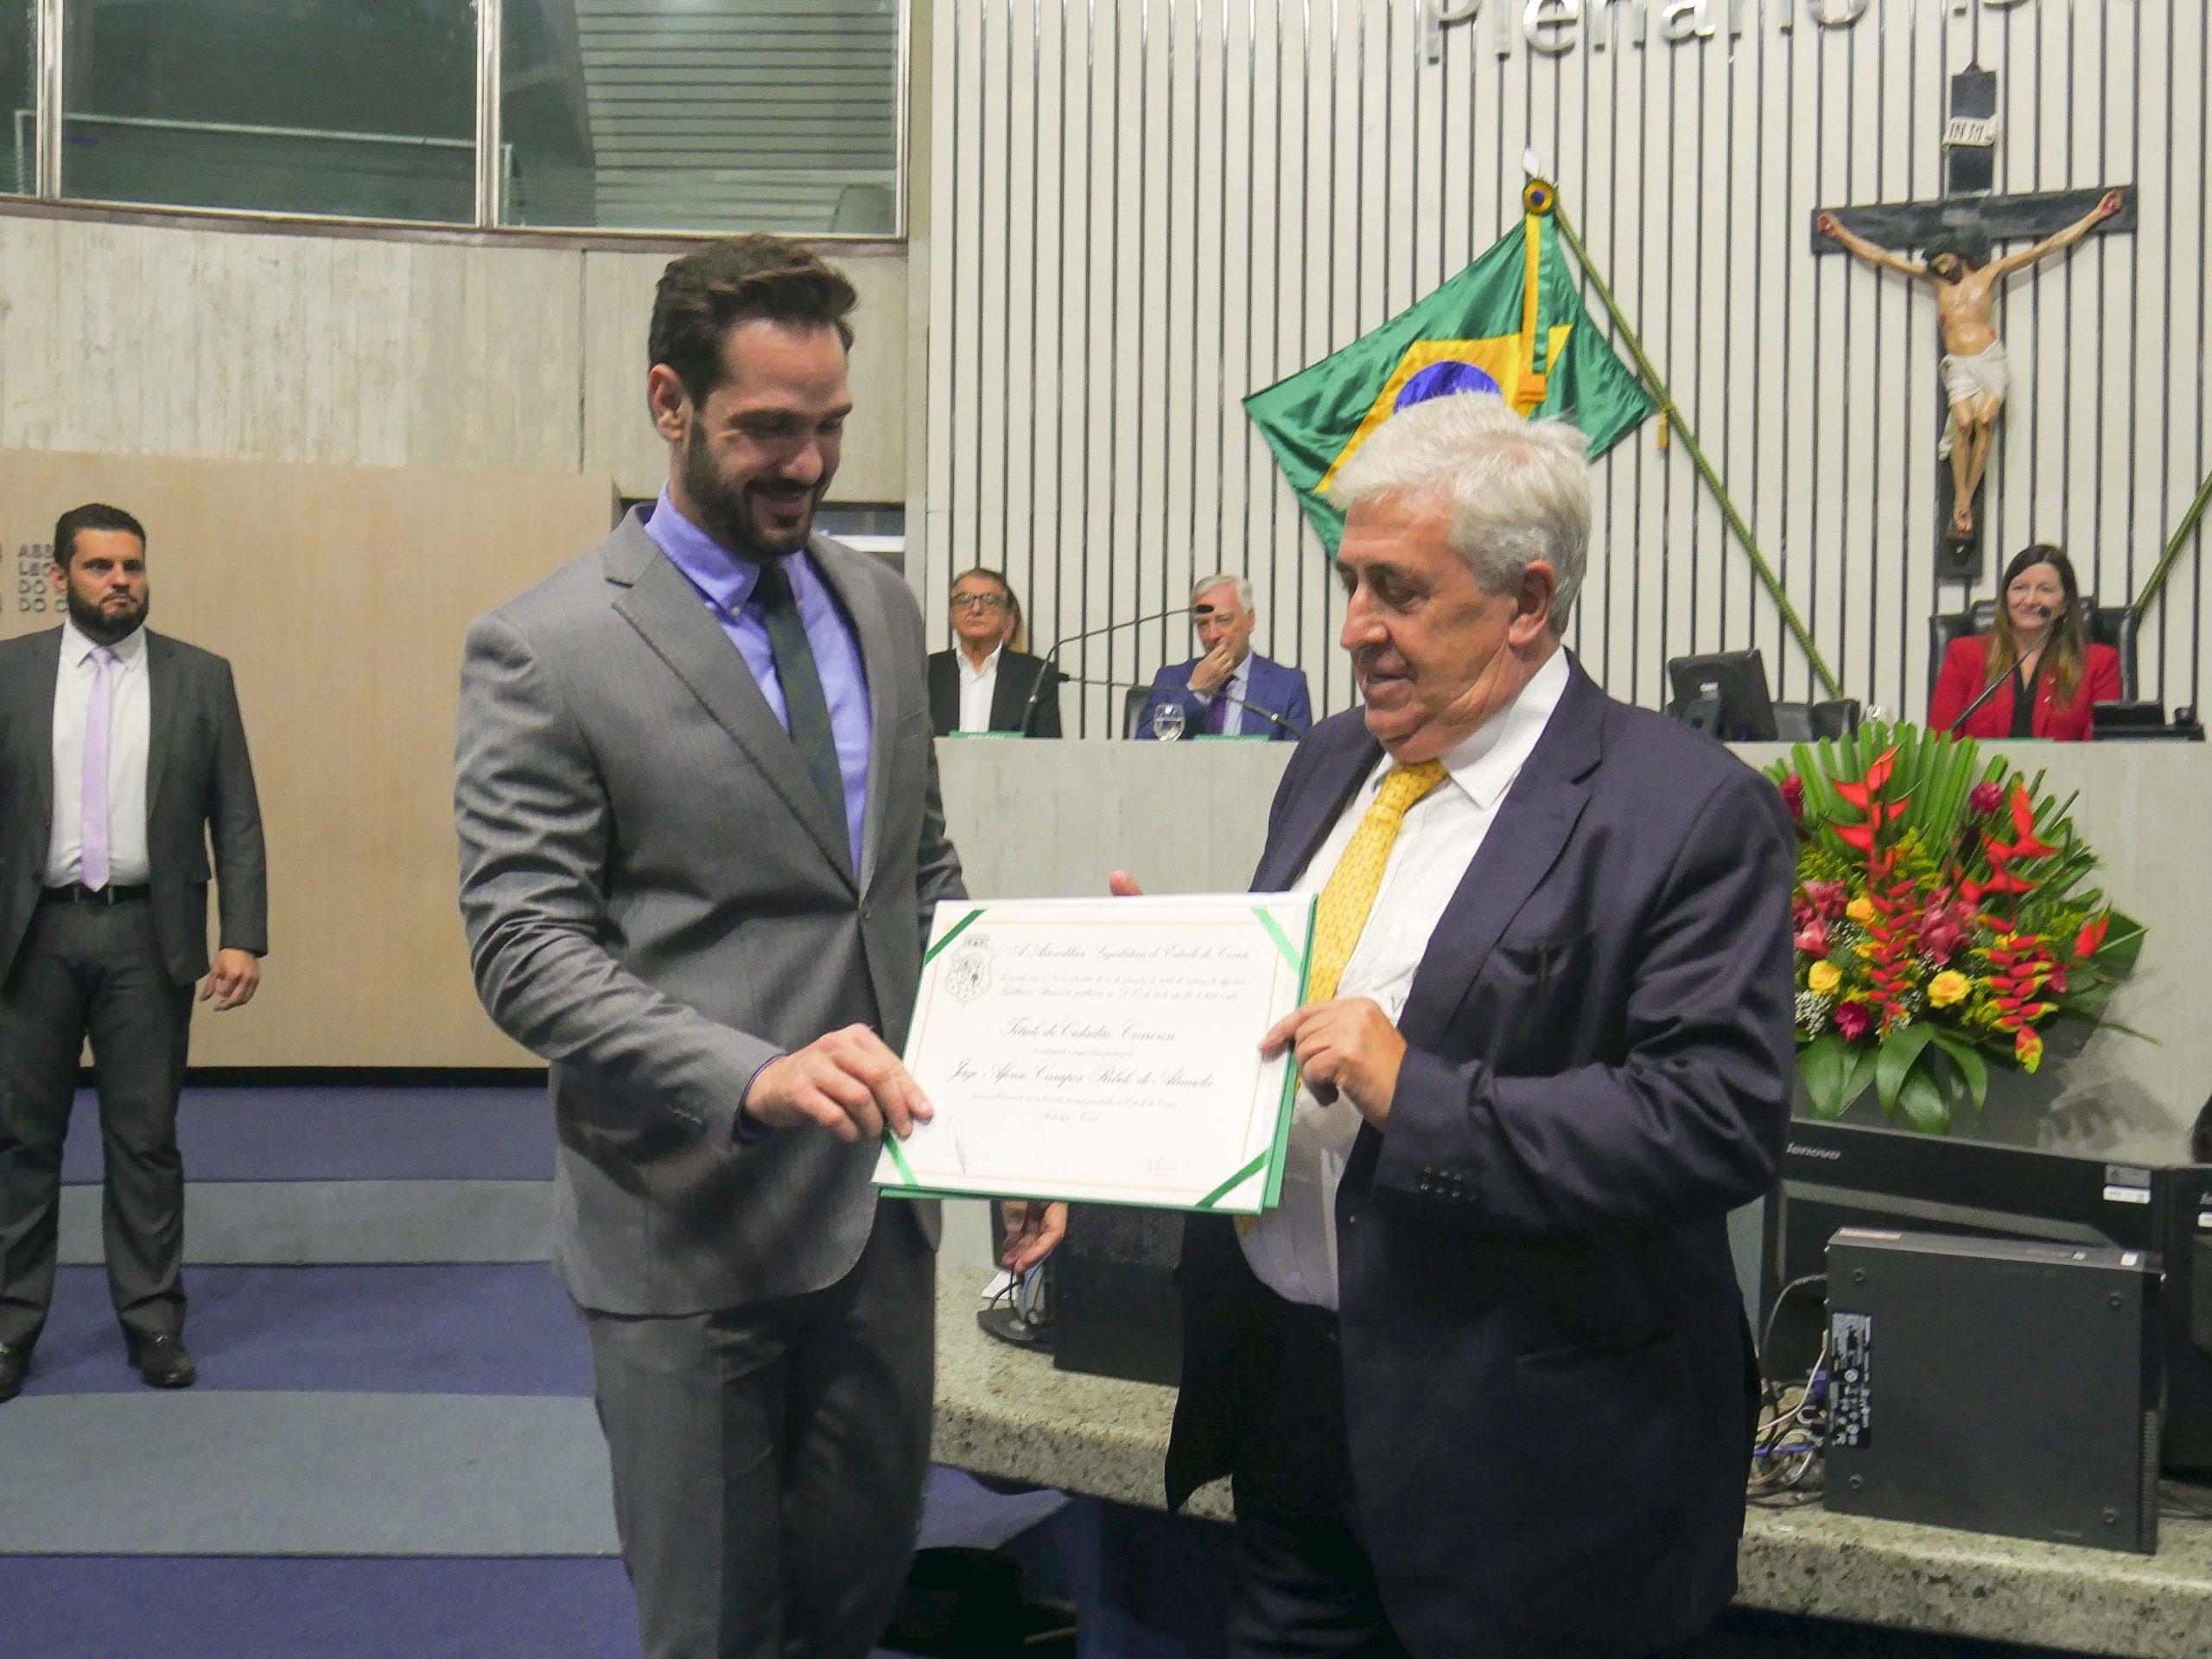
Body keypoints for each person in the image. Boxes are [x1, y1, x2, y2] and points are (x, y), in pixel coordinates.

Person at [454, 235, 1062, 1659]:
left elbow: (919, 880)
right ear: (671, 404)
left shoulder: (877, 605)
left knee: (851, 1610)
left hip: (879, 1240)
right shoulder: (545, 650)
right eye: (768, 431)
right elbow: (523, 947)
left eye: (832, 428)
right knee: (719, 1634)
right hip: (689, 1238)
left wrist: (1009, 1130)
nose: (807, 464)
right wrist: (750, 1074)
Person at [1147, 393, 1796, 1659]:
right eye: (1349, 583)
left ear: (1529, 602)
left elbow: (1715, 1122)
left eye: (1397, 589)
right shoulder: (1332, 762)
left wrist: (1414, 1090)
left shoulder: (1686, 812)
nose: (1354, 631)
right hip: (1295, 1429)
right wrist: (1167, 1002)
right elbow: (1294, 1025)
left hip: (1536, 1483)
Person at [0, 503, 266, 1403]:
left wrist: (242, 934)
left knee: (145, 1140)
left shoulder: (200, 678)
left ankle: (153, 1322)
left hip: (148, 939)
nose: (121, 582)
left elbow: (235, 814)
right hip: (29, 936)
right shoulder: (10, 674)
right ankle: (8, 1331)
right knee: (19, 1141)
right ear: (60, 576)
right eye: (101, 567)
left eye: (133, 567)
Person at [1817, 192, 2122, 540]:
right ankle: (1962, 496)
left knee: (1986, 421)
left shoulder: (1989, 274)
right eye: (1935, 263)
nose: (1940, 267)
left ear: (1958, 254)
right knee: (1964, 422)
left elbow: (2047, 246)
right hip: (1960, 364)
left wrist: (2095, 215)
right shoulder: (1935, 283)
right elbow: (1884, 257)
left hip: (1989, 358)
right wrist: (1840, 234)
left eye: (1943, 259)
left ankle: (1965, 499)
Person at [1928, 544, 2121, 741]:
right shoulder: (1965, 655)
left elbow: (2102, 754)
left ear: (2064, 604)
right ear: (2006, 597)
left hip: (2064, 771)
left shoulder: (2099, 663)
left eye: (2045, 590)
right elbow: (1941, 744)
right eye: (2020, 588)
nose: (2030, 600)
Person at [1140, 573, 1313, 739]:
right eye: (1202, 624)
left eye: (1223, 620)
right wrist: (1195, 692)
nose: (1212, 635)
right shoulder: (1170, 681)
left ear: (1250, 620)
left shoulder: (1287, 686)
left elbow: (1300, 761)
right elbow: (1143, 750)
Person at [925, 566, 1062, 736]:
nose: (976, 609)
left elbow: (1048, 751)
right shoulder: (926, 671)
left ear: (1007, 616)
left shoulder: (1036, 674)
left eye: (989, 600)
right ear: (951, 614)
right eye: (965, 600)